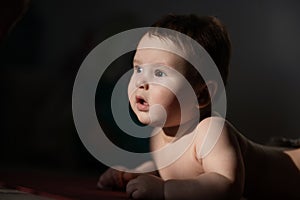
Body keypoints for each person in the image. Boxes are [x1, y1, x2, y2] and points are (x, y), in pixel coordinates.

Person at [97, 14, 300, 200]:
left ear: (200, 94)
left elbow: (226, 185)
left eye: (159, 73)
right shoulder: (158, 135)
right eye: (138, 68)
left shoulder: (211, 131)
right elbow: (177, 171)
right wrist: (136, 173)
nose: (141, 81)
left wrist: (164, 190)